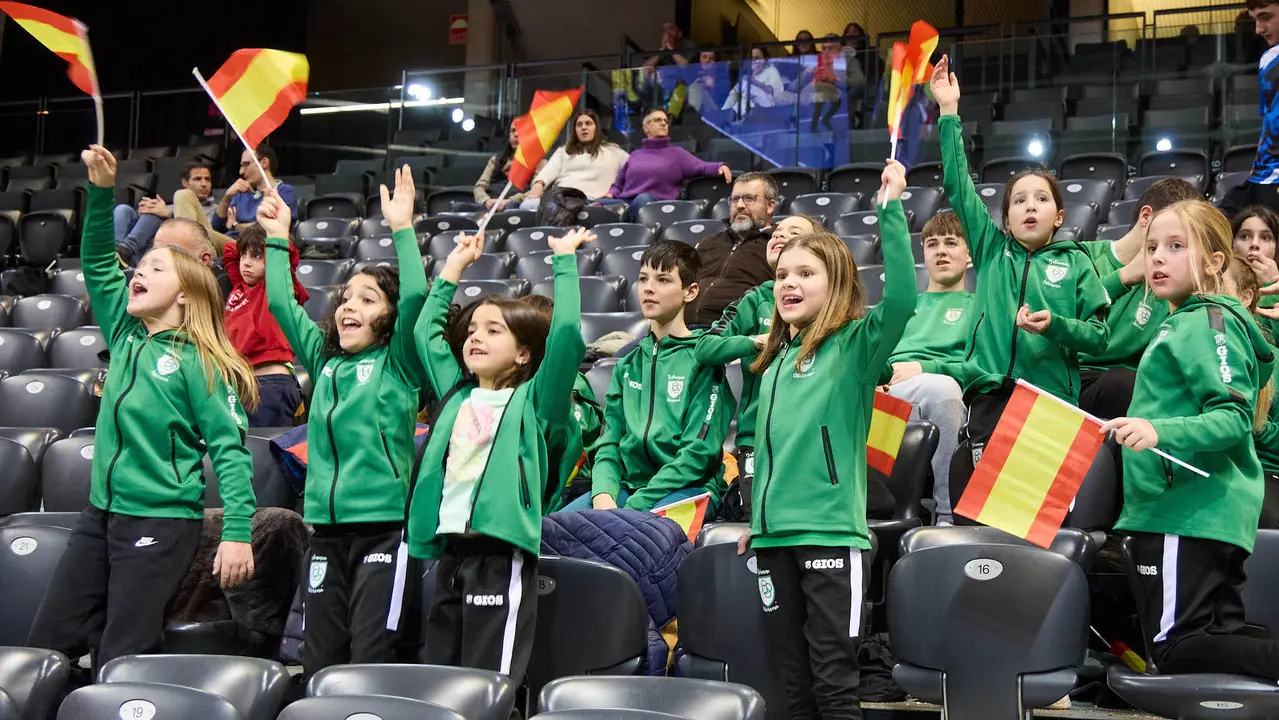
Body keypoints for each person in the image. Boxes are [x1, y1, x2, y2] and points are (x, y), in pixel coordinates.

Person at [27, 145, 257, 673]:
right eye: (141, 262)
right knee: (46, 645)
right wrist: (101, 191)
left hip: (159, 520)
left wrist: (238, 532)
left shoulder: (202, 362)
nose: (138, 270)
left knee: (121, 655)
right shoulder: (128, 336)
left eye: (156, 265)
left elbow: (230, 454)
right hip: (100, 514)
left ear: (186, 293)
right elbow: (97, 262)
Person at [736, 160, 917, 719]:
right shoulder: (772, 363)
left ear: (836, 284)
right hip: (772, 540)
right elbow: (766, 453)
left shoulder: (855, 348)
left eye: (806, 273)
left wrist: (890, 210)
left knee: (834, 684)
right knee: (791, 686)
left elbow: (903, 300)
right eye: (783, 275)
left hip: (831, 535)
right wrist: (757, 523)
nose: (789, 283)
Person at [258, 167, 427, 676]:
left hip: (384, 534)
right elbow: (280, 302)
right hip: (325, 534)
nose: (350, 305)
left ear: (389, 319)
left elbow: (416, 299)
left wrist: (402, 228)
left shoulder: (399, 361)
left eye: (368, 299)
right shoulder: (325, 362)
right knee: (319, 660)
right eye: (347, 297)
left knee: (370, 659)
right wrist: (276, 237)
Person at [1104, 199, 1279, 679]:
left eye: (1177, 246)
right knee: (1217, 641)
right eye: (1153, 247)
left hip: (1185, 513)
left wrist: (1156, 429)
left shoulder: (1204, 322)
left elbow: (1232, 418)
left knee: (1175, 649)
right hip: (1206, 513)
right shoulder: (1189, 321)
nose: (1158, 257)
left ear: (1215, 261)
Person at [407, 225, 589, 682]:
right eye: (472, 330)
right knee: (442, 675)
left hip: (500, 554)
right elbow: (425, 333)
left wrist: (564, 262)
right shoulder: (456, 394)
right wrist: (454, 265)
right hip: (451, 549)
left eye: (493, 330)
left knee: (490, 679)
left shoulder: (536, 403)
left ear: (524, 354)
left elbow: (566, 337)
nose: (476, 337)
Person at [930, 54, 1110, 463]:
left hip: (1051, 399)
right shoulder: (991, 250)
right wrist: (949, 111)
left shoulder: (1077, 262)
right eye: (1019, 201)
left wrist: (1056, 325)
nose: (1030, 206)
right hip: (990, 393)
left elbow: (1099, 338)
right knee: (987, 497)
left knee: (1036, 499)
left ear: (1059, 216)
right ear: (1006, 218)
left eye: (1042, 199)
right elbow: (958, 184)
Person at [569, 240, 732, 513]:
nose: (648, 288)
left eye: (663, 280)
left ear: (690, 292)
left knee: (638, 533)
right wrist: (603, 495)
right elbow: (609, 443)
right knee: (555, 530)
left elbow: (696, 456)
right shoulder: (627, 365)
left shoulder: (703, 360)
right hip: (627, 488)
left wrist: (634, 507)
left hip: (688, 489)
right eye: (643, 278)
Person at [695, 215, 819, 520]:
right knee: (757, 514)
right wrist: (755, 342)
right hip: (756, 439)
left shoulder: (830, 304)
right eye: (776, 232)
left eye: (793, 232)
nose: (779, 236)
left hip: (812, 438)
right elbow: (705, 348)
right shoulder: (755, 300)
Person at [1077, 178, 1202, 419]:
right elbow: (1056, 320)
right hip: (1074, 377)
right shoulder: (1079, 257)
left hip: (1138, 385)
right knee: (1121, 384)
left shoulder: (1175, 279)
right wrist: (1123, 277)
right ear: (1146, 217)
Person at [882, 213, 974, 526]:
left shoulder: (979, 307)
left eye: (951, 243)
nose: (941, 251)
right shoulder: (902, 307)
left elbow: (984, 368)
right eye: (932, 244)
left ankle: (948, 517)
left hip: (939, 395)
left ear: (969, 254)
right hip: (885, 398)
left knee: (940, 388)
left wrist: (925, 367)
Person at [222, 223, 310, 427]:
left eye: (256, 256)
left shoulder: (276, 288)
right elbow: (229, 251)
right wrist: (248, 241)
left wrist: (273, 234)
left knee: (264, 448)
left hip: (270, 385)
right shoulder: (240, 287)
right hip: (240, 384)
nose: (246, 263)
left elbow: (287, 256)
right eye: (243, 256)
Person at [604, 108, 732, 223]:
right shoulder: (635, 155)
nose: (663, 123)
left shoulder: (677, 153)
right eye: (657, 120)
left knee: (642, 199)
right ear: (646, 127)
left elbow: (701, 166)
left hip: (658, 206)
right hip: (627, 202)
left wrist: (720, 166)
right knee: (599, 206)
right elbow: (619, 184)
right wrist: (611, 193)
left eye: (666, 121)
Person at [687, 171, 778, 326]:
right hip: (683, 330)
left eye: (749, 198)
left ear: (770, 206)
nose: (740, 205)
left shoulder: (776, 245)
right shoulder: (709, 242)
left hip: (734, 331)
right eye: (735, 199)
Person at [1218, 0, 1279, 216]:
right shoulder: (1268, 59)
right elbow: (1268, 123)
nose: (1258, 29)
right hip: (1262, 179)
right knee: (1203, 223)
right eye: (1255, 20)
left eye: (1266, 17)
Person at [519, 110, 629, 211]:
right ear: (575, 130)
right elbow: (548, 172)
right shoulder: (564, 151)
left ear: (596, 128)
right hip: (562, 199)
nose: (583, 127)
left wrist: (616, 192)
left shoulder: (614, 152)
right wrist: (538, 184)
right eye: (579, 125)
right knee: (527, 206)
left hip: (596, 202)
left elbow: (634, 169)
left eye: (588, 123)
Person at [114, 160, 215, 265]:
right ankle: (115, 251)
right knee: (123, 209)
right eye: (197, 179)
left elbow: (206, 235)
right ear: (185, 182)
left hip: (170, 251)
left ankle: (126, 250)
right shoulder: (168, 206)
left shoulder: (214, 209)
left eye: (207, 179)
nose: (204, 184)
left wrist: (170, 215)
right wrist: (143, 211)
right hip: (143, 247)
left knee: (154, 214)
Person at [214, 145, 297, 236]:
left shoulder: (284, 192)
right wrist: (227, 197)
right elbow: (216, 227)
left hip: (260, 242)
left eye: (246, 164)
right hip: (229, 242)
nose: (241, 171)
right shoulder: (240, 194)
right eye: (241, 166)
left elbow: (270, 227)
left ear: (264, 163)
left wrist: (235, 225)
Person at [473, 123, 544, 212]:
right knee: (459, 207)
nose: (516, 134)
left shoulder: (540, 163)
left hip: (514, 206)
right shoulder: (496, 160)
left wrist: (509, 201)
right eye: (513, 131)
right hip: (489, 204)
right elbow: (479, 186)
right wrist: (486, 200)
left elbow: (535, 192)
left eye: (521, 131)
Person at [723, 47, 796, 114]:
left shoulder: (771, 70)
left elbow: (772, 92)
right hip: (754, 107)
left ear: (765, 60)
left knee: (746, 86)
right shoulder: (750, 75)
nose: (754, 61)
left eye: (757, 58)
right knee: (740, 88)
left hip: (769, 105)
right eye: (751, 59)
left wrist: (753, 82)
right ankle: (725, 112)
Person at [807, 34, 844, 133]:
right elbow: (820, 73)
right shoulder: (820, 59)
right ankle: (814, 127)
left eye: (830, 48)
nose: (826, 51)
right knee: (819, 106)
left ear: (839, 49)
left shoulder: (840, 61)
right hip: (822, 85)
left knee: (836, 103)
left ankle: (824, 120)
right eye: (824, 48)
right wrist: (832, 78)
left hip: (831, 86)